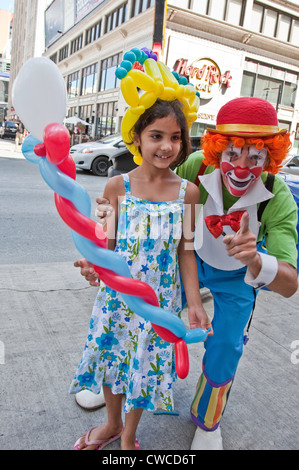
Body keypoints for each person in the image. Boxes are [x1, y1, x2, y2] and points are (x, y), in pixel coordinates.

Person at [90, 96, 298, 450]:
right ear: (217, 150)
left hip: (237, 275)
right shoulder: (197, 168)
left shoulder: (276, 198)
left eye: (256, 156)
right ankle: (113, 384)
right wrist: (110, 218)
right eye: (233, 153)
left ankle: (207, 418)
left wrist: (256, 260)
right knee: (138, 315)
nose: (243, 167)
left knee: (226, 345)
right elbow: (156, 192)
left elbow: (290, 284)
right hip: (187, 259)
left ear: (271, 156)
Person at [70, 97, 213, 451]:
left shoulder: (189, 193)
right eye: (156, 135)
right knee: (112, 357)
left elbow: (187, 250)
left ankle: (129, 437)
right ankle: (112, 423)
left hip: (160, 303)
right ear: (136, 137)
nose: (167, 146)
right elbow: (104, 242)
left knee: (143, 366)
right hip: (117, 299)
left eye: (176, 137)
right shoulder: (116, 188)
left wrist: (193, 303)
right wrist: (92, 265)